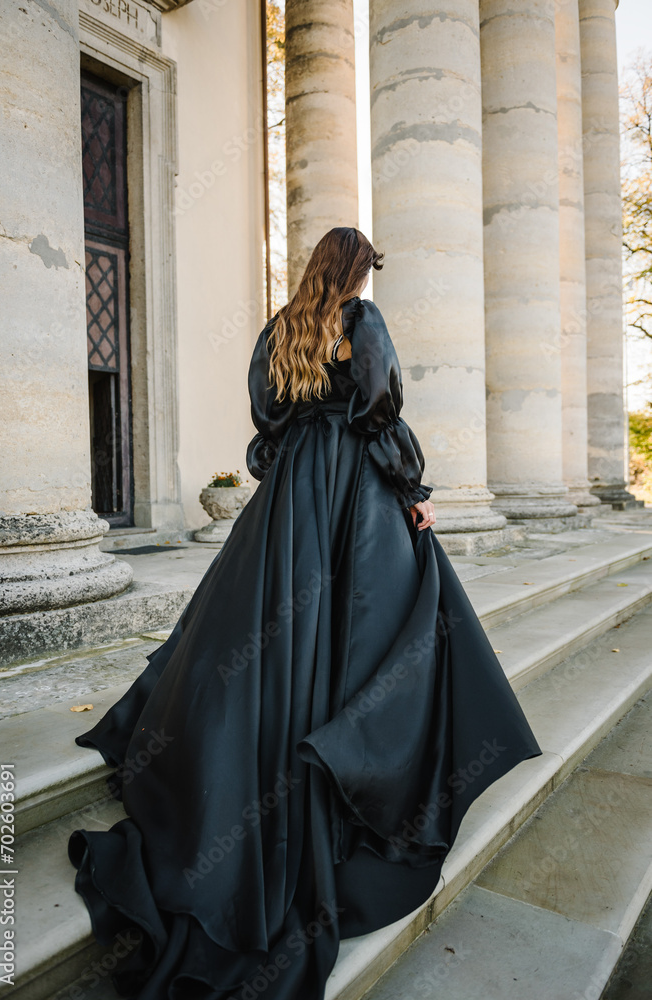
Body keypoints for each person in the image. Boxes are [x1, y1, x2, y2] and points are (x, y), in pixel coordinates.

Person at [68, 227, 543, 1000]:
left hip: (290, 499)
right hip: (353, 492)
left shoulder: (279, 326)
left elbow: (266, 416)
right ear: (357, 271)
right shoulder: (361, 323)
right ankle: (362, 753)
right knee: (392, 620)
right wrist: (411, 493)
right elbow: (381, 407)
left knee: (266, 631)